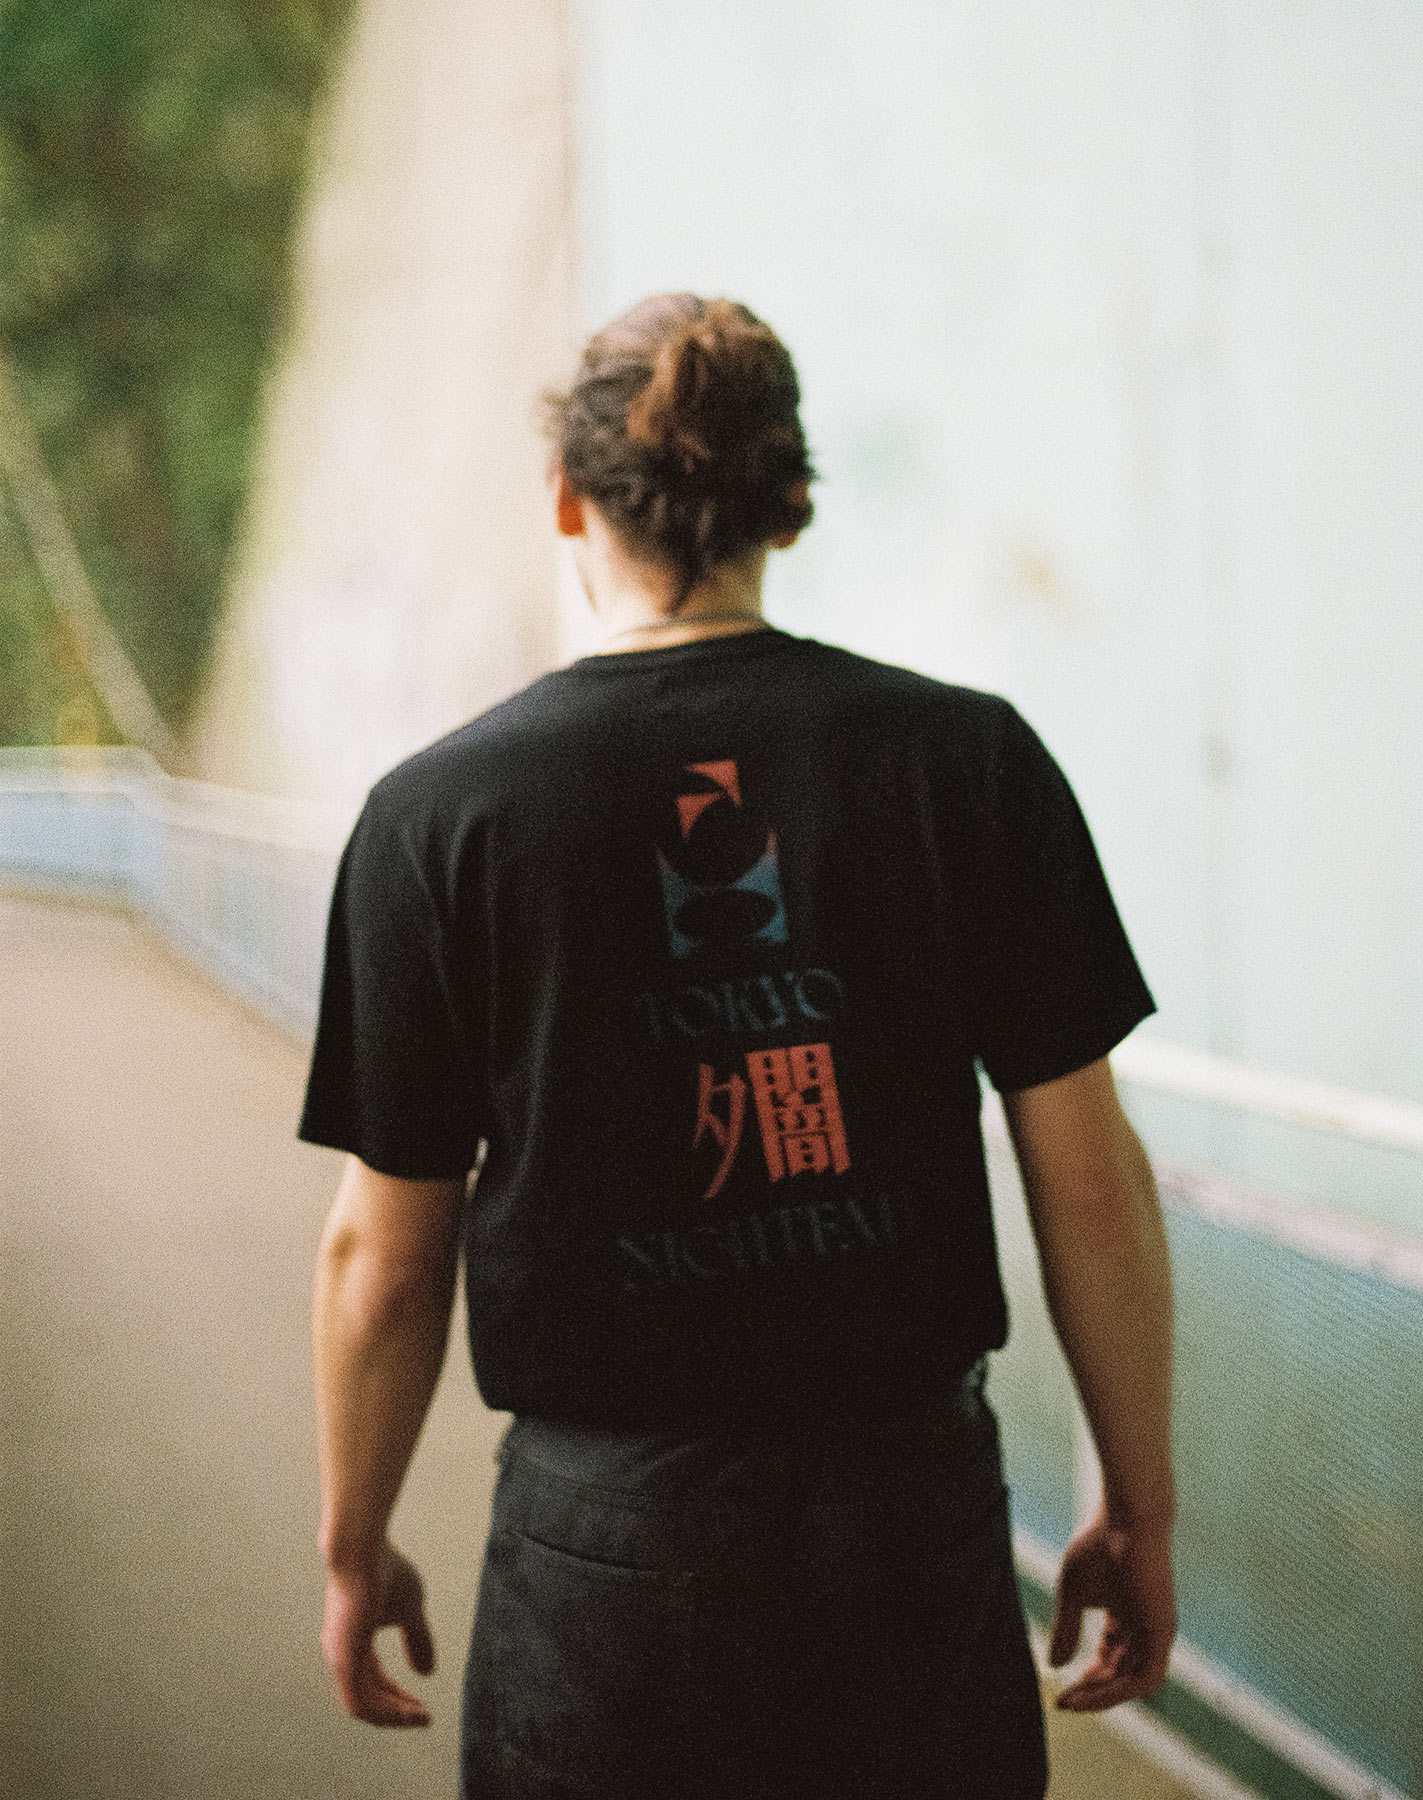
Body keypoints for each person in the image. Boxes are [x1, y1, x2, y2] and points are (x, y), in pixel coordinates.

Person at [305, 293, 1177, 1800]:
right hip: (908, 1524)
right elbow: (1089, 1180)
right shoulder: (967, 761)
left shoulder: (438, 819)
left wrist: (352, 1543)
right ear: (792, 501)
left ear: (569, 498)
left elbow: (380, 1263)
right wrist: (1140, 1503)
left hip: (606, 1558)